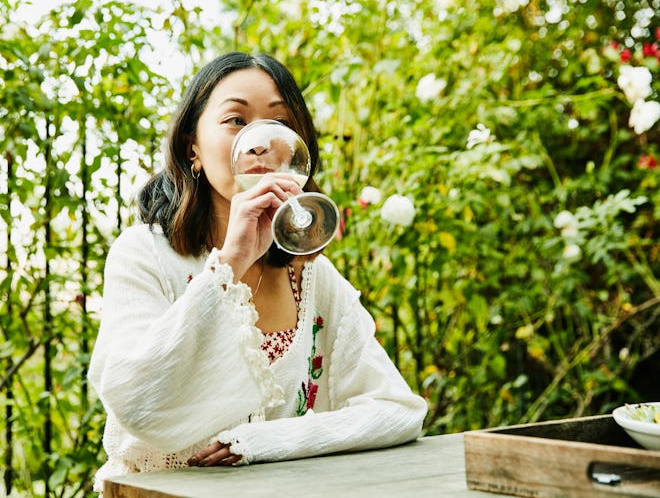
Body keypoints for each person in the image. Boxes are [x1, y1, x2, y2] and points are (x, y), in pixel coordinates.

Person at [87, 52, 427, 490]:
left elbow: (398, 410)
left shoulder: (313, 277)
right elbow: (137, 401)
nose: (261, 141)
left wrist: (262, 441)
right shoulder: (145, 255)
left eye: (280, 124)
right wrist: (229, 263)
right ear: (193, 146)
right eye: (235, 120)